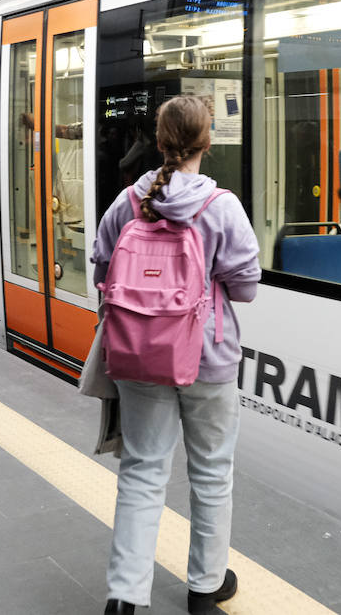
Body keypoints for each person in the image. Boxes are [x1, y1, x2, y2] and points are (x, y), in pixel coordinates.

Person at [91, 95, 261, 615]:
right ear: (206, 144)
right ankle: (205, 589)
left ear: (159, 142)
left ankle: (123, 596)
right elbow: (247, 286)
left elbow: (102, 271)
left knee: (143, 470)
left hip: (140, 356)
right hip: (208, 360)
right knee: (211, 471)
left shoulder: (128, 201)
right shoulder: (222, 206)